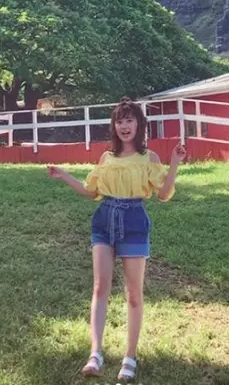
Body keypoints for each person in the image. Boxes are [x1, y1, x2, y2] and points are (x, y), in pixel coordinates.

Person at [47, 97, 186, 382]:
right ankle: (95, 353)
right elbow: (91, 192)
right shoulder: (106, 158)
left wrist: (174, 163)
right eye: (119, 121)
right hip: (103, 219)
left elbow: (163, 194)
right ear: (114, 125)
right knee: (100, 287)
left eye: (129, 120)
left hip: (134, 221)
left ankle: (129, 356)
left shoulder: (149, 159)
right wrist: (64, 176)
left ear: (139, 124)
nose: (124, 126)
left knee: (133, 294)